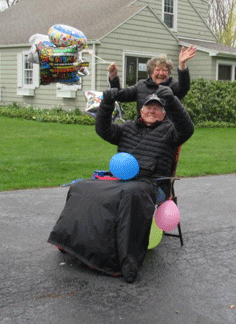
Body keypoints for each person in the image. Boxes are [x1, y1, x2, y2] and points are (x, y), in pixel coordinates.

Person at [48, 86, 194, 283]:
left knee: (128, 195)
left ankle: (120, 260)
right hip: (120, 179)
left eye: (157, 108)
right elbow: (103, 129)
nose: (152, 111)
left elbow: (187, 128)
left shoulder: (171, 131)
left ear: (163, 113)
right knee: (81, 187)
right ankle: (70, 242)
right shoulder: (128, 128)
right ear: (141, 111)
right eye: (148, 108)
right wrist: (107, 102)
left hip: (150, 183)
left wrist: (173, 101)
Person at [107, 45, 196, 113]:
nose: (161, 73)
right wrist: (113, 77)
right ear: (150, 72)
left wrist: (182, 64)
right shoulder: (141, 85)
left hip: (167, 131)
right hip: (144, 131)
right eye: (157, 70)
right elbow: (120, 95)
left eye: (164, 70)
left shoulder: (173, 85)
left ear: (168, 73)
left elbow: (184, 87)